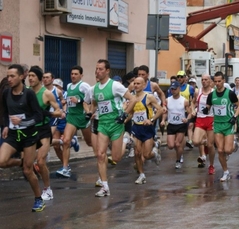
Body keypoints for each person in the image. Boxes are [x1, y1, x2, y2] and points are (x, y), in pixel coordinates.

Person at [0, 64, 44, 211]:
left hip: (28, 136)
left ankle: (38, 198)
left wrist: (23, 122)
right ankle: (20, 162)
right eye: (8, 76)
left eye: (12, 76)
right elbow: (5, 112)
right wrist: (6, 125)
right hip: (13, 134)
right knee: (2, 161)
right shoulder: (6, 93)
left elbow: (39, 116)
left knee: (27, 171)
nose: (9, 79)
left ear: (21, 77)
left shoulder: (29, 94)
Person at [90, 59, 136, 197]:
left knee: (116, 158)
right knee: (100, 154)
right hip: (103, 124)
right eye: (96, 69)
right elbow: (93, 104)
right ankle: (105, 187)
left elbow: (133, 99)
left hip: (116, 124)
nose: (97, 71)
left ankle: (126, 140)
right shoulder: (94, 89)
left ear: (107, 71)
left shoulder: (115, 85)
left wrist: (125, 114)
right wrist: (90, 113)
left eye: (100, 69)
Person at [28, 67, 64, 201]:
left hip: (43, 130)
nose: (30, 78)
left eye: (33, 76)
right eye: (29, 76)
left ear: (39, 78)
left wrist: (46, 113)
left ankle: (47, 189)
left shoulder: (47, 94)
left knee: (41, 161)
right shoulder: (26, 92)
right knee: (27, 163)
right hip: (29, 129)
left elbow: (59, 112)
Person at [203, 71, 239, 182]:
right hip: (218, 125)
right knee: (220, 151)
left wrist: (234, 116)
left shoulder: (230, 93)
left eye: (219, 81)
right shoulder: (211, 95)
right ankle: (226, 172)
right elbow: (208, 106)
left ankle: (233, 145)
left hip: (228, 124)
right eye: (215, 81)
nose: (217, 83)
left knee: (227, 150)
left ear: (223, 81)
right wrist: (206, 109)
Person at [57, 65, 92, 178]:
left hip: (82, 117)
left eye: (76, 74)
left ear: (81, 75)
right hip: (72, 117)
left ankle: (103, 153)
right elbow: (70, 100)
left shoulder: (84, 86)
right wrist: (65, 102)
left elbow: (92, 98)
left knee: (89, 142)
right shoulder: (68, 86)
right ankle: (65, 168)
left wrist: (79, 100)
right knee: (66, 141)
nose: (73, 76)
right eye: (72, 74)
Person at [130, 77, 164, 184]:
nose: (136, 85)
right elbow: (130, 113)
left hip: (147, 129)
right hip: (136, 128)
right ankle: (141, 175)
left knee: (146, 154)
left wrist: (151, 119)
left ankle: (155, 153)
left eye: (138, 83)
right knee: (137, 152)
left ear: (144, 85)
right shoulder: (132, 98)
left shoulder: (149, 97)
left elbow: (160, 110)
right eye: (134, 83)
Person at [161, 81, 192, 169]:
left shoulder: (184, 101)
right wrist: (163, 120)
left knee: (177, 144)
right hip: (171, 124)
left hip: (181, 125)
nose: (173, 90)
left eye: (175, 89)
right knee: (171, 146)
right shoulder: (168, 100)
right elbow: (165, 112)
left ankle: (178, 160)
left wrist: (187, 119)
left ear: (179, 89)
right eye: (172, 89)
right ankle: (180, 152)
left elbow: (190, 113)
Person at [192, 74, 216, 174]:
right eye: (202, 80)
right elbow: (193, 102)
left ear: (210, 81)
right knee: (196, 142)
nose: (204, 81)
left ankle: (211, 166)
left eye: (206, 79)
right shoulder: (198, 92)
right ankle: (205, 142)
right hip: (200, 119)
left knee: (210, 146)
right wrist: (193, 110)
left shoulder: (214, 92)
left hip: (211, 119)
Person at [175, 71, 195, 148]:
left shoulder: (190, 88)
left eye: (181, 77)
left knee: (190, 125)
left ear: (185, 78)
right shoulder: (174, 87)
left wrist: (193, 110)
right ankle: (181, 142)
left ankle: (190, 141)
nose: (179, 78)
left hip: (187, 111)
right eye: (178, 77)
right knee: (181, 129)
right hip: (178, 111)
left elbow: (193, 100)